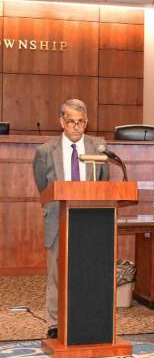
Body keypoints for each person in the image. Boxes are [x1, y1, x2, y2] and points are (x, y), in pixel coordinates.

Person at [32, 99, 110, 340]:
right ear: (61, 122)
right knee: (58, 273)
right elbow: (43, 187)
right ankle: (55, 323)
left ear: (86, 123)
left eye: (81, 122)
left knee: (89, 271)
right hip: (58, 218)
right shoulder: (45, 151)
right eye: (71, 122)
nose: (76, 127)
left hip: (90, 219)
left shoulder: (98, 147)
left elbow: (104, 183)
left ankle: (89, 318)